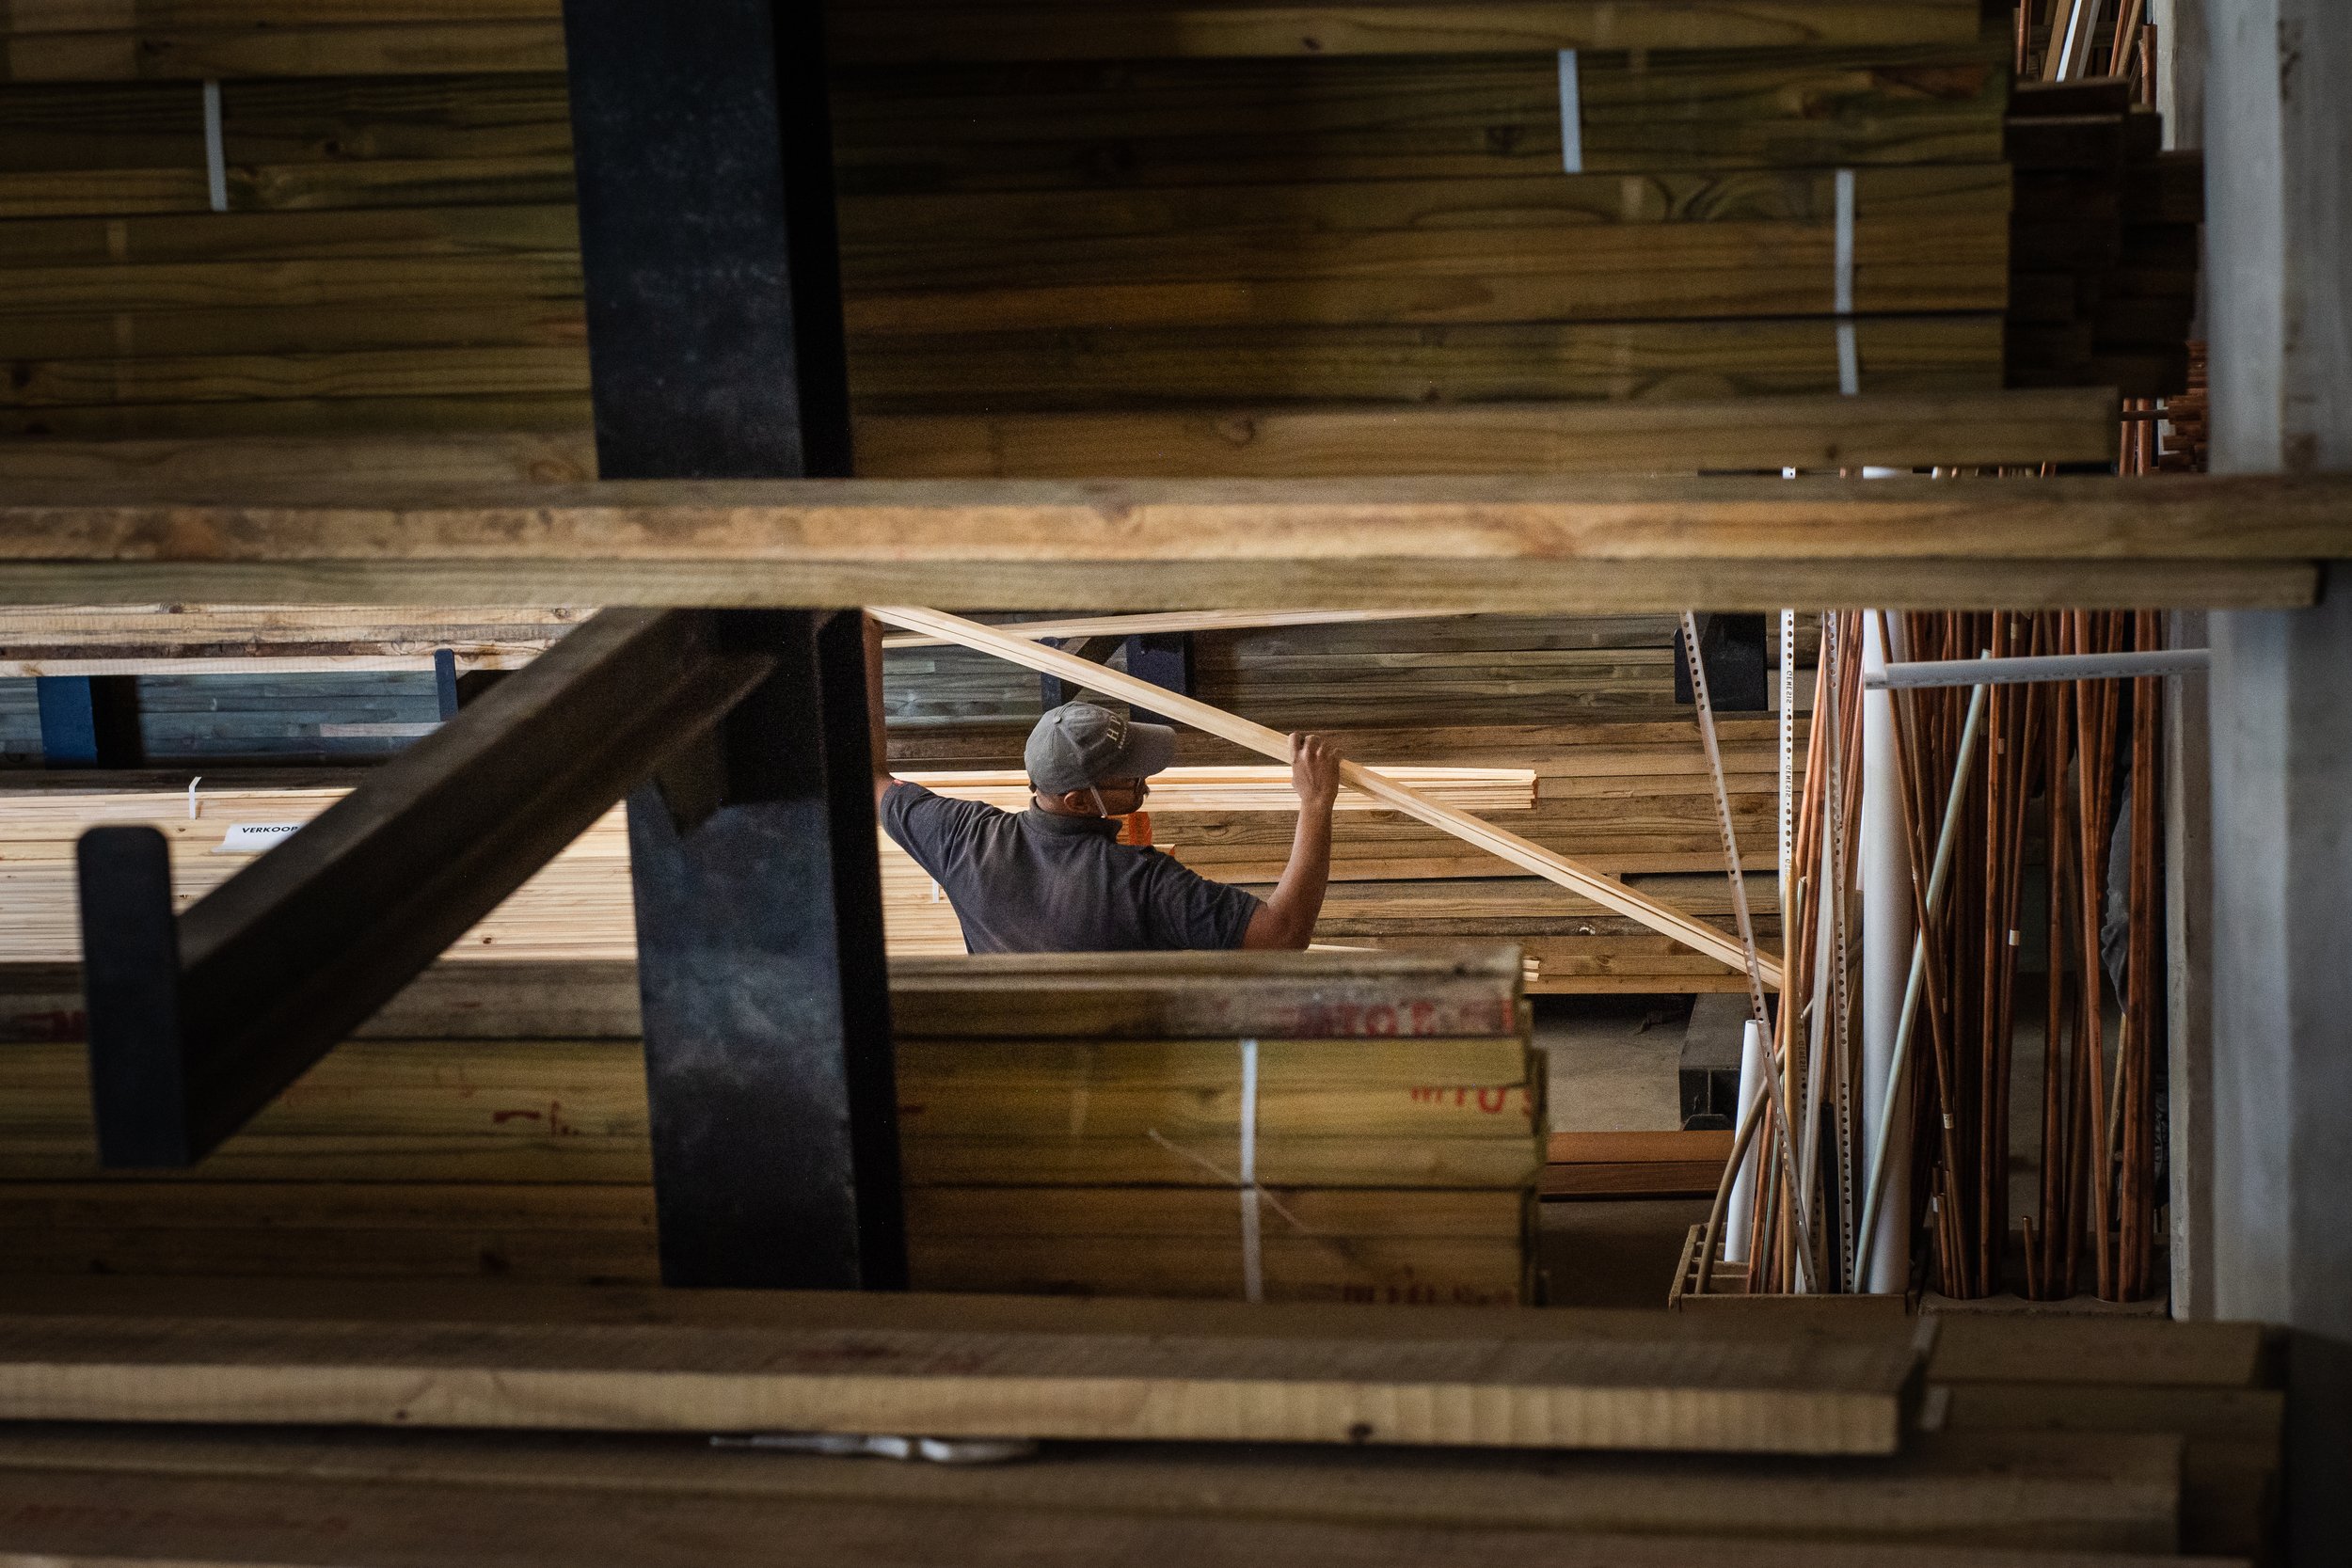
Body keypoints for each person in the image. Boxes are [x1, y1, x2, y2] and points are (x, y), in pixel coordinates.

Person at [866, 617, 1340, 953]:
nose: (1145, 781)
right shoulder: (1136, 884)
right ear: (1077, 800)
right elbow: (1282, 936)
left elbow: (870, 776)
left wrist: (865, 639)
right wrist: (1316, 802)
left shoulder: (963, 839)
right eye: (1128, 775)